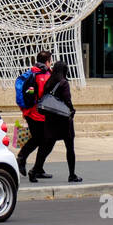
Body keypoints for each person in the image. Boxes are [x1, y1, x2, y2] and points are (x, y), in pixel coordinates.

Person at [30, 61, 82, 183]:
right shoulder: (64, 83)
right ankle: (72, 175)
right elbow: (67, 100)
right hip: (63, 119)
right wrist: (72, 110)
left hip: (50, 119)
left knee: (46, 146)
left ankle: (34, 170)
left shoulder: (50, 82)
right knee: (69, 147)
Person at [16, 50, 53, 179]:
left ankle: (38, 167)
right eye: (50, 60)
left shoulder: (32, 72)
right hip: (38, 113)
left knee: (42, 139)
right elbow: (45, 94)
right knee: (41, 139)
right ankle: (22, 158)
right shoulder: (43, 75)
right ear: (47, 61)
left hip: (30, 111)